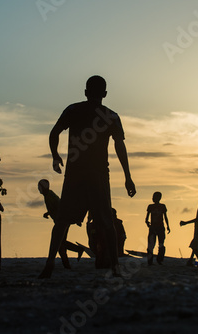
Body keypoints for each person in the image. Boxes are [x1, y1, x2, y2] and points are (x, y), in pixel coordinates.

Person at [39, 75, 136, 278]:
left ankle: (49, 263)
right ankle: (115, 266)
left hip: (75, 173)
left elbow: (54, 133)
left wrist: (55, 157)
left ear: (85, 92)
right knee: (106, 222)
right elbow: (120, 146)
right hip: (98, 174)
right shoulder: (111, 116)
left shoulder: (73, 110)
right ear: (105, 94)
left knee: (62, 222)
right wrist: (127, 176)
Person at [37, 179, 84, 269]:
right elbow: (55, 207)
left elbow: (60, 206)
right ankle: (67, 265)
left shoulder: (50, 195)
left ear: (43, 187)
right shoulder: (48, 195)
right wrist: (48, 213)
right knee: (60, 245)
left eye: (39, 187)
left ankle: (78, 250)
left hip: (62, 221)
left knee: (59, 243)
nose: (38, 189)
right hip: (61, 221)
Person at [145, 192, 170, 265]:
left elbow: (165, 217)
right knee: (151, 245)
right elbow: (147, 217)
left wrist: (168, 226)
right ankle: (150, 261)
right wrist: (147, 223)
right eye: (153, 197)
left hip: (160, 228)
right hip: (153, 228)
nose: (153, 198)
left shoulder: (162, 206)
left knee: (161, 244)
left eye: (154, 197)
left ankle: (159, 259)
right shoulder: (150, 206)